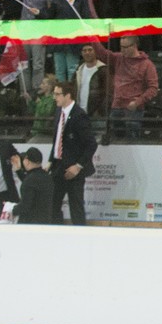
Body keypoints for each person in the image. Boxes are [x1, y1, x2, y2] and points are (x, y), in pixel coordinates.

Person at [48, 81, 96, 224]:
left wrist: (78, 165)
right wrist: (51, 160)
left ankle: (80, 238)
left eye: (57, 94)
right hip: (57, 166)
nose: (54, 97)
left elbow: (91, 144)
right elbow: (57, 140)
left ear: (68, 95)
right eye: (54, 94)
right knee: (52, 204)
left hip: (73, 168)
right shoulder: (58, 112)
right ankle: (58, 233)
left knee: (76, 205)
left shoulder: (79, 115)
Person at [12, 148, 54, 224]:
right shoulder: (47, 177)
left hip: (30, 224)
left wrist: (11, 209)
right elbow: (32, 183)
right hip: (46, 221)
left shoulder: (30, 180)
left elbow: (25, 206)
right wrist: (18, 170)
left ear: (27, 161)